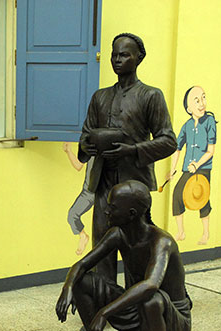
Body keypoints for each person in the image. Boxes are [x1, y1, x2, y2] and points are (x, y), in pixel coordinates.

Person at [56, 180, 192, 331]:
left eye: (112, 207)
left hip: (173, 326)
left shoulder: (161, 242)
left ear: (131, 213)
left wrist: (104, 312)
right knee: (84, 281)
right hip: (140, 313)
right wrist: (68, 287)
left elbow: (150, 285)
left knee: (152, 299)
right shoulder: (118, 234)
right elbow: (80, 266)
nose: (106, 210)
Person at [78, 32, 176, 282]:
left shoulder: (150, 96)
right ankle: (103, 308)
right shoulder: (99, 97)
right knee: (101, 250)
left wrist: (132, 150)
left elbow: (168, 141)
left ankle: (138, 311)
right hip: (103, 185)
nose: (117, 60)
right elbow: (85, 137)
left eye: (124, 55)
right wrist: (86, 147)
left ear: (138, 58)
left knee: (137, 250)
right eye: (114, 55)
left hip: (135, 187)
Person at [166, 86, 216, 245]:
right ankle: (180, 232)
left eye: (203, 97)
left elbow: (211, 150)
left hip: (203, 168)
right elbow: (177, 148)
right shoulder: (187, 125)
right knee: (177, 194)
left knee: (203, 198)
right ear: (189, 108)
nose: (202, 103)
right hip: (188, 168)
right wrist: (172, 169)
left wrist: (197, 164)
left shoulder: (209, 122)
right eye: (197, 100)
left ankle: (206, 233)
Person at [63, 141, 94, 255]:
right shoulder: (90, 145)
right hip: (89, 192)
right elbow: (78, 165)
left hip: (105, 191)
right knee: (72, 215)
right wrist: (68, 151)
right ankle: (83, 236)